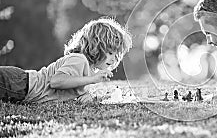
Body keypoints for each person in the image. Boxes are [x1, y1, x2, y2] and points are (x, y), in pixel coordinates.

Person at [0, 17, 132, 103]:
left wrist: (85, 97)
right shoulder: (79, 60)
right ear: (96, 47)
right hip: (19, 84)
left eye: (116, 54)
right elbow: (56, 82)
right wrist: (92, 80)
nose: (114, 58)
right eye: (110, 52)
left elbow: (70, 90)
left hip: (20, 86)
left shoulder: (85, 69)